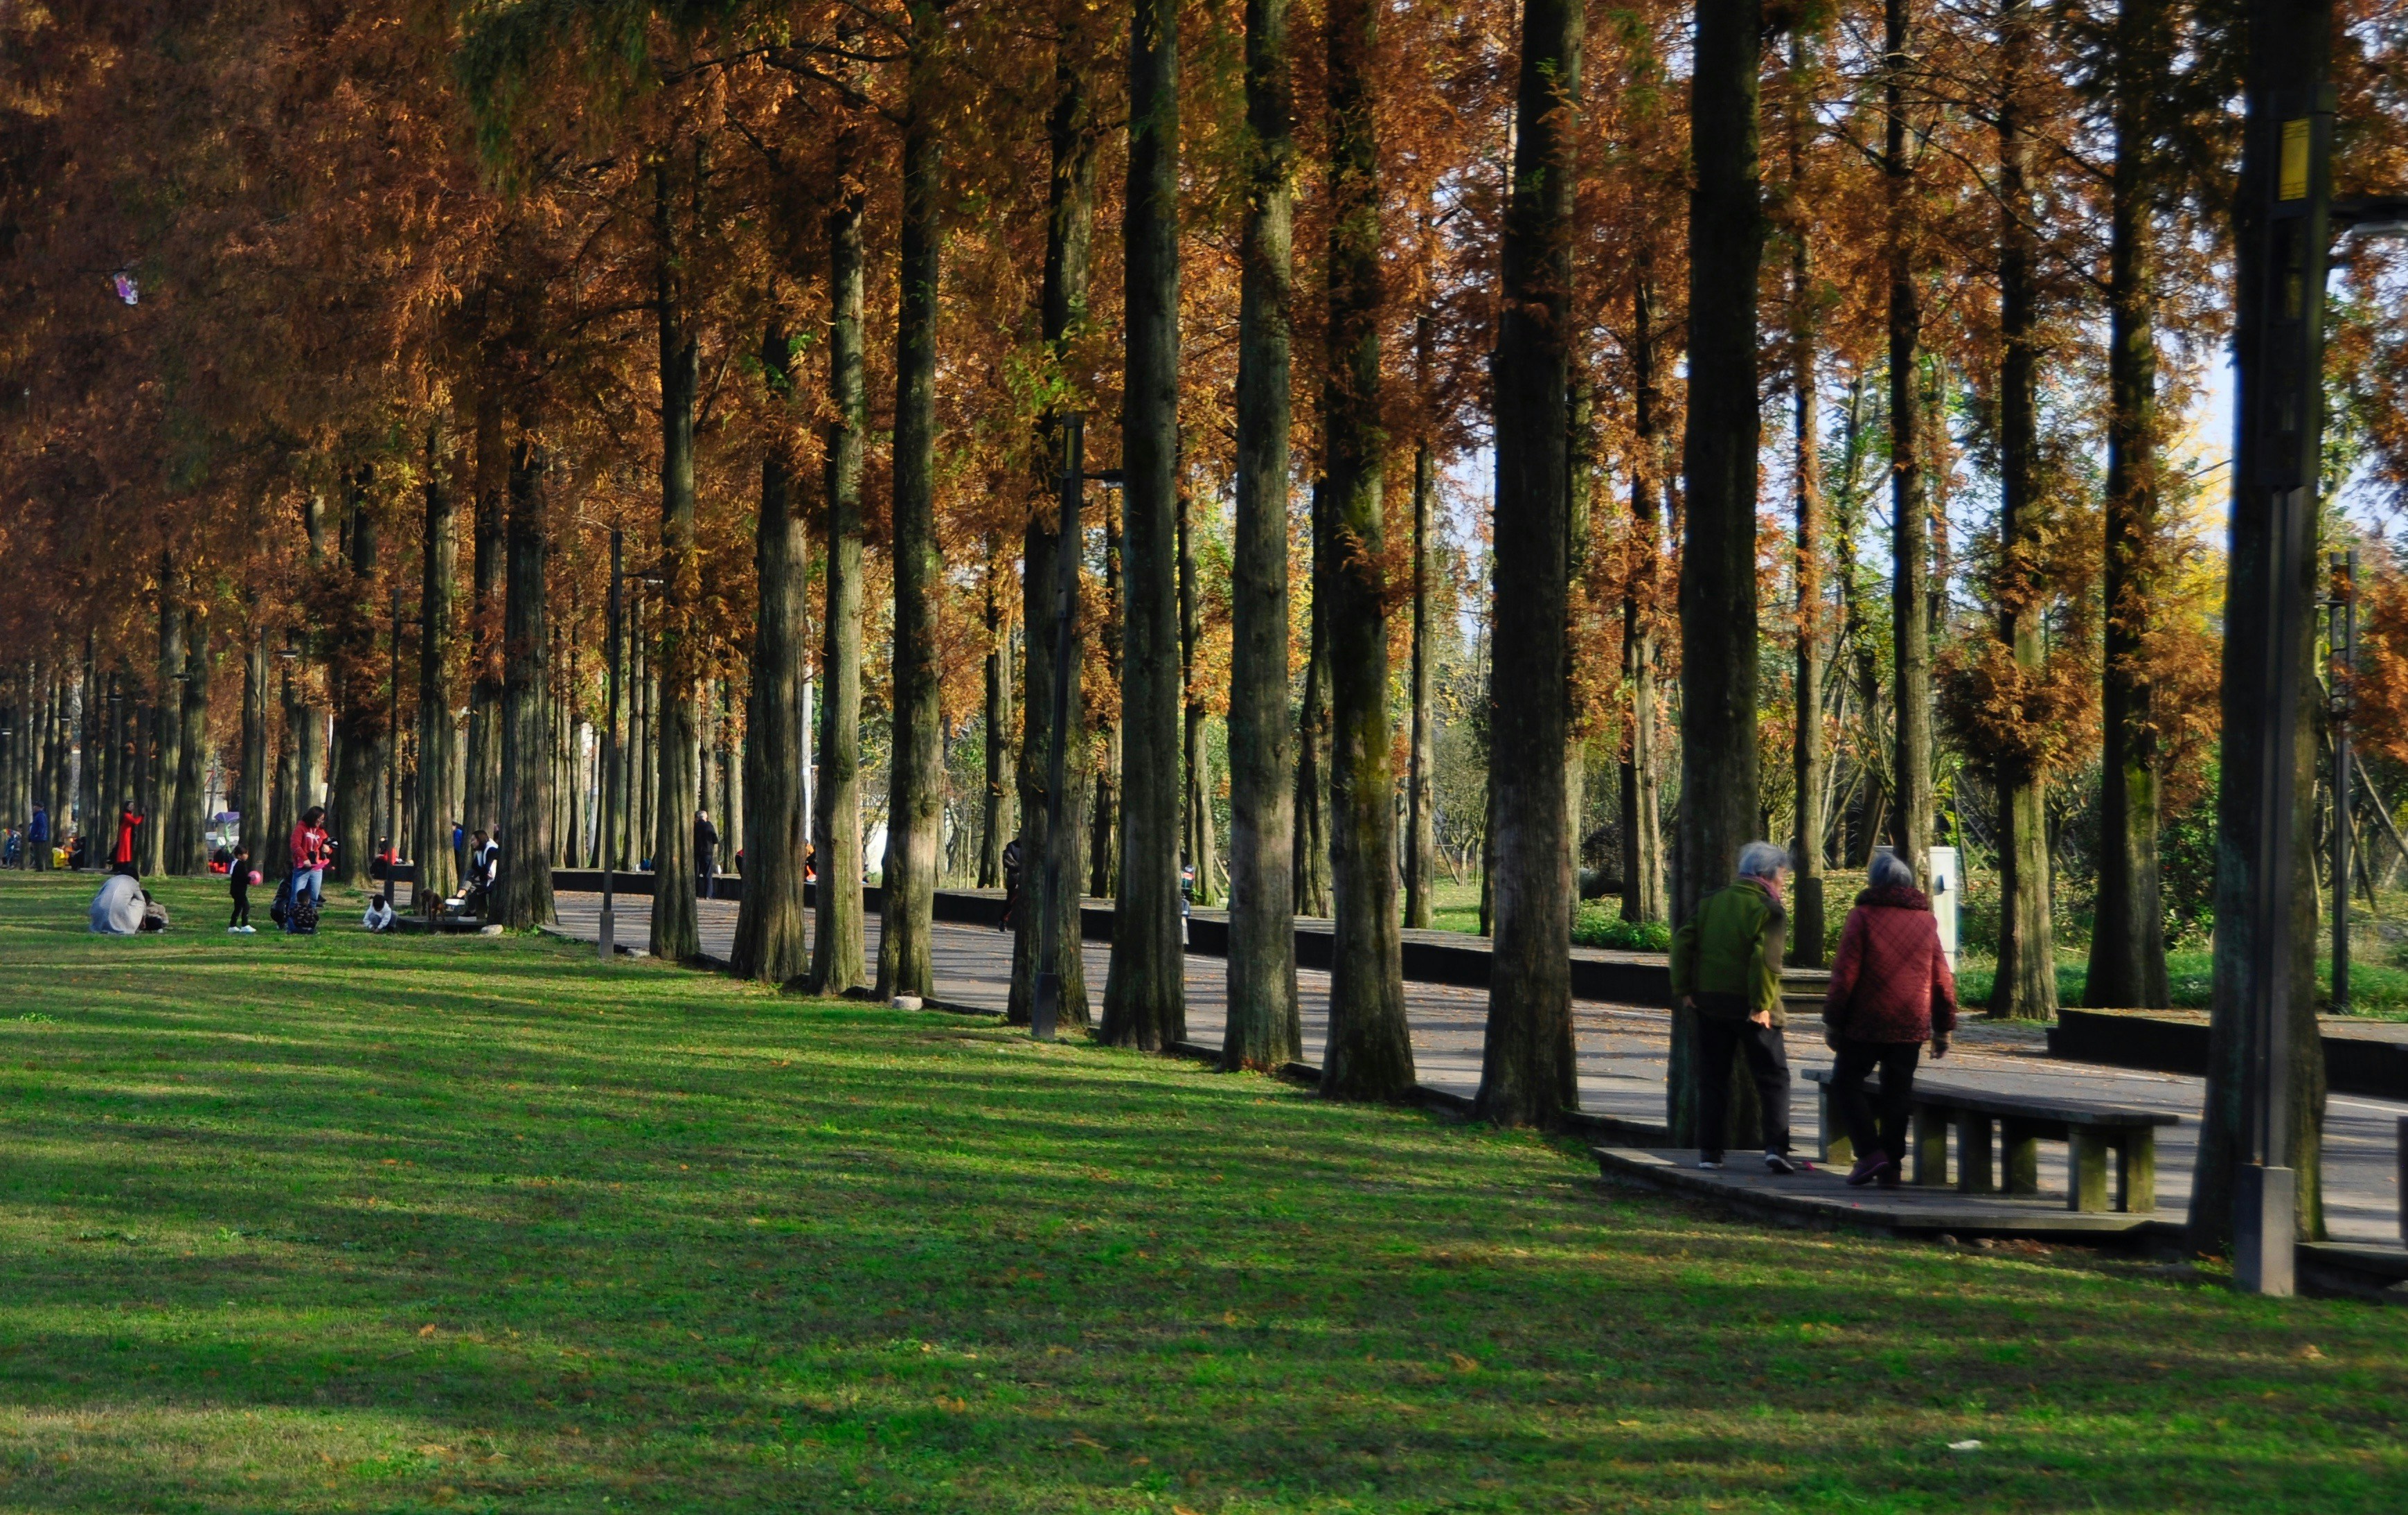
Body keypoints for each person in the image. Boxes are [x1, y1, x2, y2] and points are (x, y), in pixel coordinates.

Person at [1821, 851, 1959, 1187]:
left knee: (1845, 1083)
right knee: (1897, 1094)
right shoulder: (1926, 921)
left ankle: (1870, 1154)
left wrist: (1833, 1021)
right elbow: (1942, 975)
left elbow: (1845, 973)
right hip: (1910, 1023)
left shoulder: (1862, 916)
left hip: (1866, 1021)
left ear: (1874, 882)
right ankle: (1892, 1168)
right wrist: (1943, 1028)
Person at [1670, 840, 1799, 1174]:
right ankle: (1776, 1148)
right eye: (1783, 876)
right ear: (1768, 875)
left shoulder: (1712, 902)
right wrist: (1762, 1004)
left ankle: (1710, 1152)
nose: (1784, 882)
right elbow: (1766, 960)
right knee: (1773, 1076)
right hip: (1752, 1005)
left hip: (1710, 1002)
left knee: (1713, 1078)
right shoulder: (1769, 909)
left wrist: (1684, 989)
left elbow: (1683, 942)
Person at [287, 806, 330, 927]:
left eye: (323, 819)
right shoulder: (301, 828)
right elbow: (295, 845)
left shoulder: (321, 832)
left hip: (317, 869)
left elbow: (327, 845)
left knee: (314, 897)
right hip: (302, 869)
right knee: (296, 897)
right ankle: (291, 923)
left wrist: (328, 849)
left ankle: (310, 922)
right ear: (313, 817)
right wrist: (304, 858)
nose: (321, 822)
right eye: (319, 819)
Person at [227, 845, 256, 933]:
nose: (247, 855)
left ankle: (232, 926)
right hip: (239, 891)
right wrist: (251, 879)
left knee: (238, 908)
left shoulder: (238, 864)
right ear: (239, 856)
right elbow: (243, 878)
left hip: (235, 891)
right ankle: (245, 925)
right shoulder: (240, 865)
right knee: (246, 906)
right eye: (245, 854)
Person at [999, 836, 1024, 931]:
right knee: (1011, 901)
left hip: (1028, 878)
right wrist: (1020, 867)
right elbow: (1007, 860)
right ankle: (1003, 920)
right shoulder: (1011, 846)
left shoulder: (1031, 846)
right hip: (1015, 879)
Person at [694, 810, 719, 901]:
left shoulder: (695, 827)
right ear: (705, 817)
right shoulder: (709, 826)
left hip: (696, 853)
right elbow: (715, 840)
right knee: (708, 874)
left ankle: (695, 893)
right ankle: (708, 894)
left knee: (696, 873)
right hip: (707, 852)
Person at [112, 801, 142, 876]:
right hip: (126, 838)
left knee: (126, 853)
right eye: (131, 806)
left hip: (127, 837)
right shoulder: (127, 816)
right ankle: (123, 869)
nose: (133, 807)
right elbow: (136, 822)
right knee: (125, 854)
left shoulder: (128, 815)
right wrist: (142, 815)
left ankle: (123, 868)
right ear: (127, 807)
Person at [26, 802, 50, 871]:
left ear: (39, 807)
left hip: (39, 838)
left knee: (39, 853)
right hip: (36, 838)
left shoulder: (41, 815)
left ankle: (41, 868)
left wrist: (38, 834)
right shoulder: (38, 815)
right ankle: (39, 867)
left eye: (35, 806)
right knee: (37, 853)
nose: (34, 808)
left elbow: (42, 826)